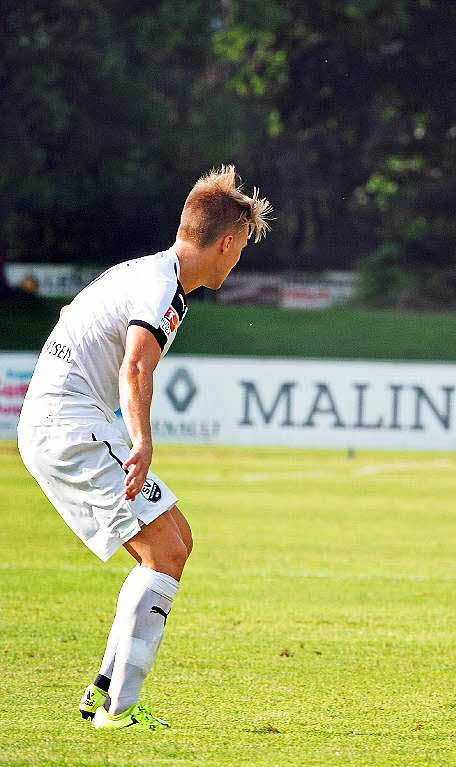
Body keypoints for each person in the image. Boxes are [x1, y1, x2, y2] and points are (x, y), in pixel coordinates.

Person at [18, 166, 271, 731]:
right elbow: (136, 363)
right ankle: (116, 710)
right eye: (240, 250)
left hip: (67, 419)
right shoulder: (161, 287)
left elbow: (71, 316)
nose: (236, 262)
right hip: (70, 424)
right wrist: (141, 440)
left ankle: (106, 691)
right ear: (225, 242)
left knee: (176, 541)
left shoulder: (147, 273)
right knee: (164, 552)